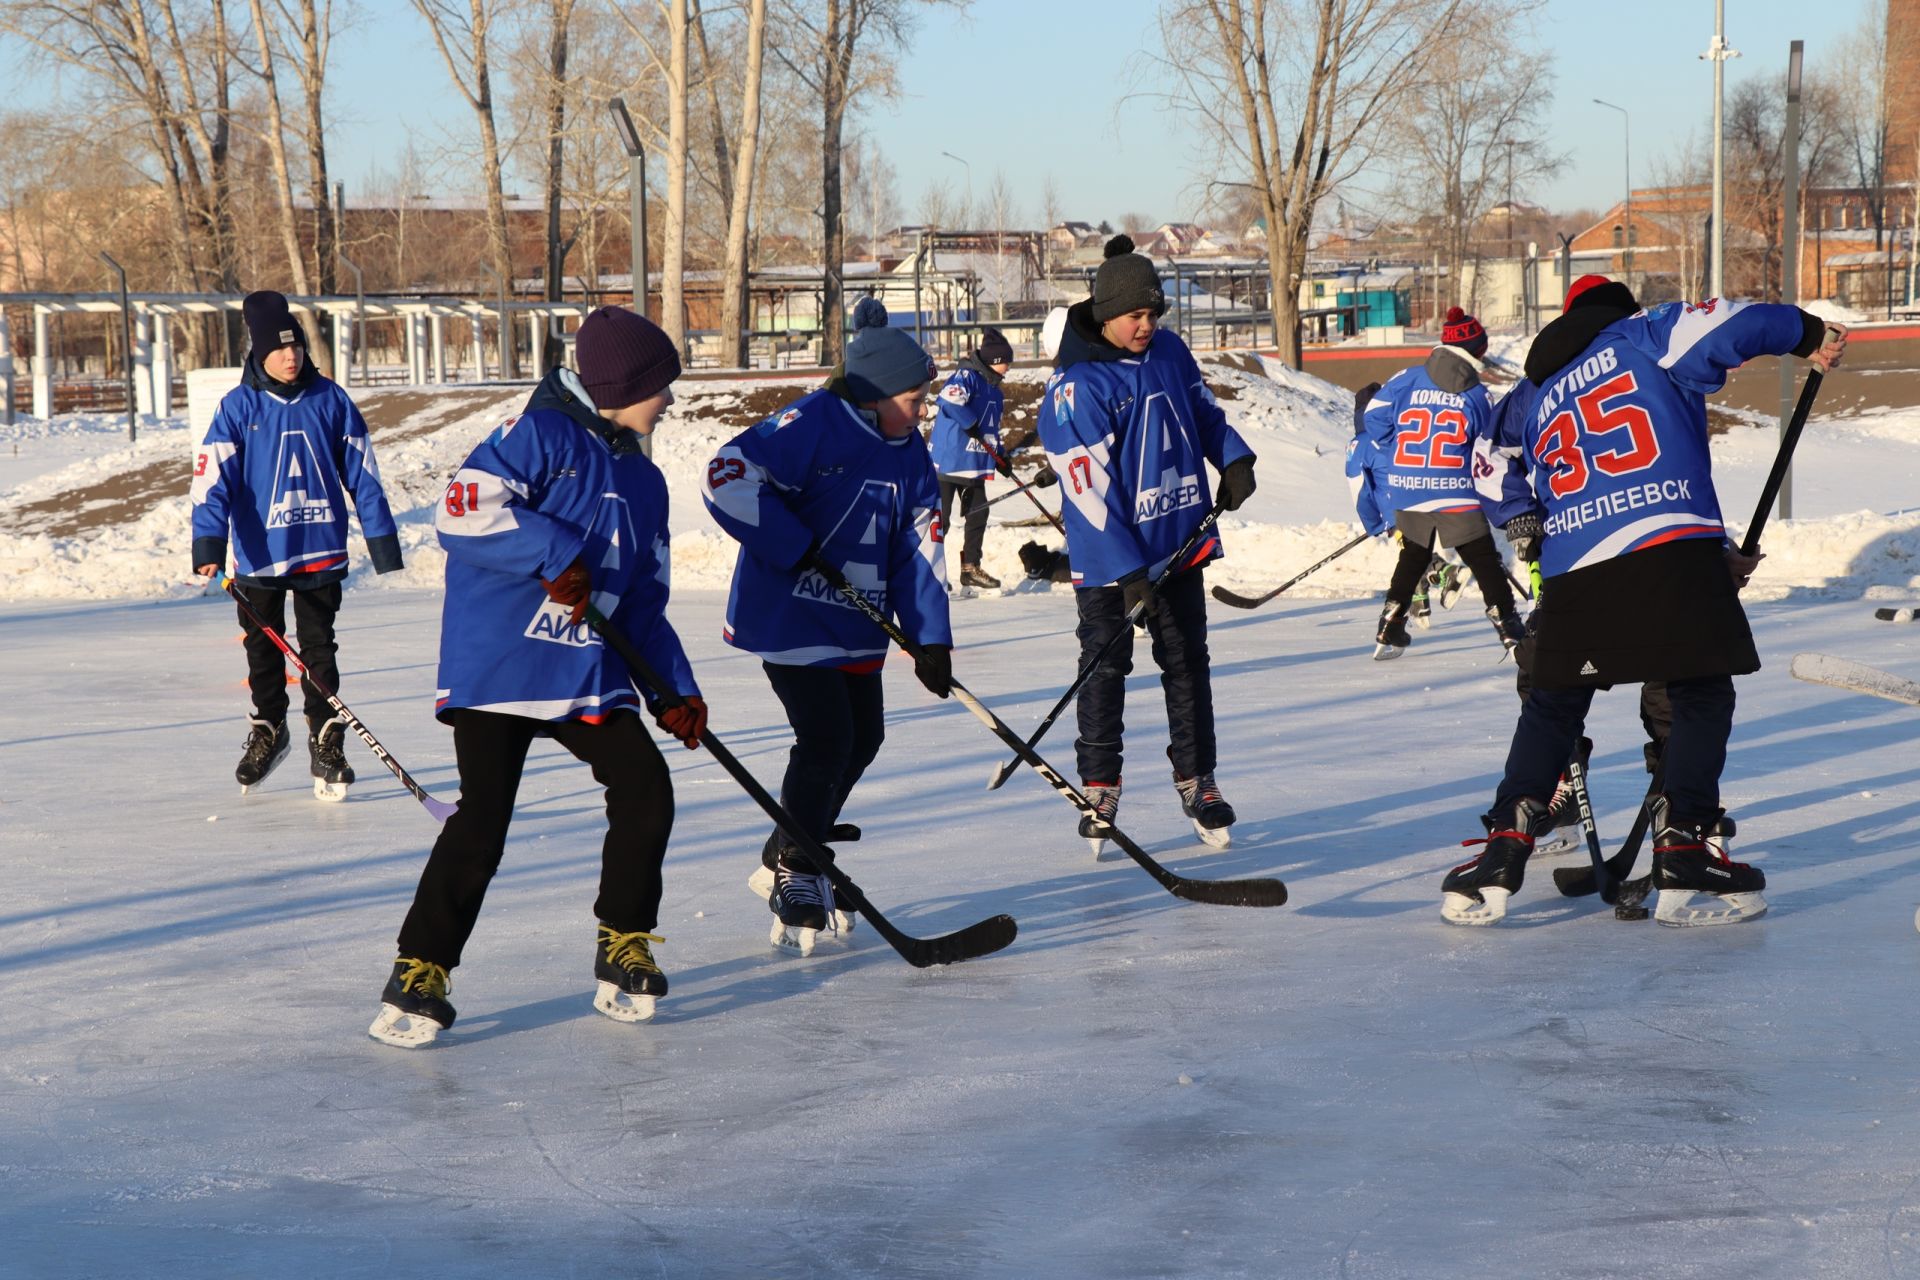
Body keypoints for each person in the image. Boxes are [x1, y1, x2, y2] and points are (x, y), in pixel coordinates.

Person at [1441, 274, 1848, 927]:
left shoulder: (1533, 389)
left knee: (1552, 708)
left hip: (1574, 566)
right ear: (1617, 313)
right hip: (1667, 554)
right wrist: (1809, 334)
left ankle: (1505, 844)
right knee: (1700, 692)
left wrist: (1525, 518)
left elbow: (1487, 460)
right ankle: (1685, 843)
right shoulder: (1646, 335)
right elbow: (1737, 321)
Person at [369, 306, 703, 1047]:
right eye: (662, 386)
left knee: (647, 791)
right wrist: (554, 553)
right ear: (621, 386)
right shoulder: (543, 435)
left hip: (587, 673)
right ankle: (420, 968)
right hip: (503, 668)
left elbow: (644, 600)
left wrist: (672, 688)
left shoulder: (643, 482)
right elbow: (461, 514)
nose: (671, 401)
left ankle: (624, 944)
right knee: (483, 821)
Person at [703, 297, 952, 957]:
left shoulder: (910, 454)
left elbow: (920, 545)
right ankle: (799, 868)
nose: (922, 408)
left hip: (857, 618)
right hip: (791, 613)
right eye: (914, 396)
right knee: (827, 737)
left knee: (863, 737)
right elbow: (726, 475)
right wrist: (790, 541)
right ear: (873, 395)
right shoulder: (813, 421)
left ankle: (792, 844)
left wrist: (932, 637)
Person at [1036, 234, 1257, 853]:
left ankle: (1199, 780)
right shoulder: (1078, 387)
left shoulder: (1170, 353)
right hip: (1112, 560)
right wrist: (1126, 570)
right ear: (1106, 315)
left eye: (1154, 313)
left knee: (1188, 663)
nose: (1147, 324)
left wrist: (1231, 457)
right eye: (1136, 314)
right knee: (1105, 668)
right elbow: (1087, 493)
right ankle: (1100, 786)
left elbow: (1202, 413)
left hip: (1177, 540)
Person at [192, 290, 402, 800]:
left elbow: (364, 475)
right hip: (260, 557)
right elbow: (210, 479)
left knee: (318, 650)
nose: (292, 357)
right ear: (260, 354)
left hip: (319, 551)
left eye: (298, 348)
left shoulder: (331, 399)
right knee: (263, 652)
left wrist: (382, 542)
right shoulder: (238, 406)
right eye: (280, 350)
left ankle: (325, 740)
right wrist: (208, 543)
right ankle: (269, 729)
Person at [1351, 307, 1523, 660]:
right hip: (1452, 487)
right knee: (1482, 559)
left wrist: (1394, 447)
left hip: (1407, 483)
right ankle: (1508, 626)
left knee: (1413, 554)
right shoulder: (1477, 394)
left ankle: (1391, 625)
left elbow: (1373, 417)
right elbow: (1483, 443)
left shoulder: (1405, 378)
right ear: (1477, 350)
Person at [931, 326, 1015, 590]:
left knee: (978, 513)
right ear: (995, 361)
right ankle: (930, 571)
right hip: (950, 459)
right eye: (1007, 362)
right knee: (939, 520)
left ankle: (970, 569)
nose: (1009, 367)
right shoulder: (966, 375)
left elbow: (990, 429)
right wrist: (968, 422)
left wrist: (1000, 457)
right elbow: (948, 400)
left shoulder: (996, 392)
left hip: (974, 464)